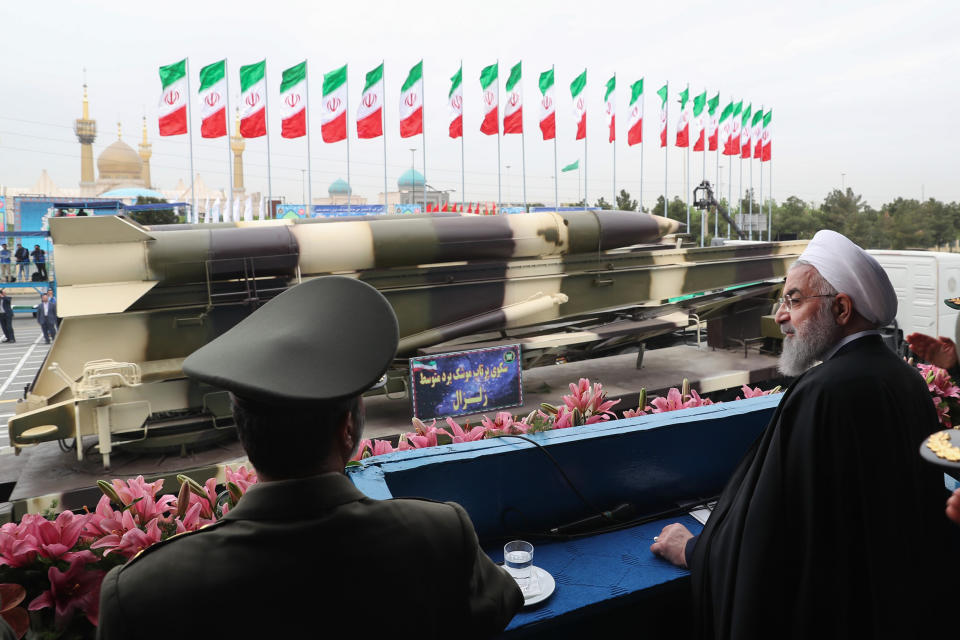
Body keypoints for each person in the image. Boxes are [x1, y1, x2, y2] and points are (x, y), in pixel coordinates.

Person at [97, 276, 523, 639]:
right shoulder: (439, 534)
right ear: (348, 429)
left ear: (244, 435)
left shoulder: (139, 592)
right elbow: (502, 603)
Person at [651, 230, 958, 639]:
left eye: (794, 300)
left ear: (842, 308)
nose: (781, 315)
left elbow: (773, 534)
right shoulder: (904, 378)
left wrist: (693, 550)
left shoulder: (826, 391)